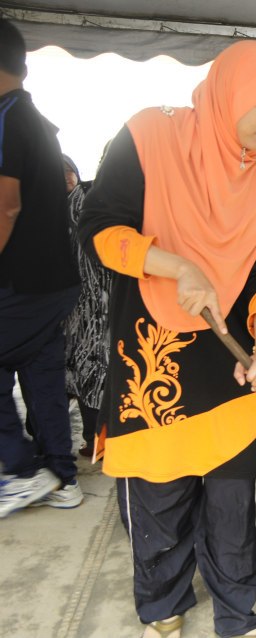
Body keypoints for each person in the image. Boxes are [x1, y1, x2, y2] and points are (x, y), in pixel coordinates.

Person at [77, 40, 256, 638]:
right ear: (229, 92)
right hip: (155, 354)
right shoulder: (150, 135)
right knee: (158, 494)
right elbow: (98, 228)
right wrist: (177, 267)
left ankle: (237, 611)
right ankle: (163, 603)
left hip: (232, 360)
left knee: (231, 503)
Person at [0, 18, 82, 517]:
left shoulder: (9, 117)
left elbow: (6, 206)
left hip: (25, 281)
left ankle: (22, 470)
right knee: (41, 371)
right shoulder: (37, 122)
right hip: (53, 280)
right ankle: (61, 477)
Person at [63, 148, 114, 459]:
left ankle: (99, 440)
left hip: (95, 304)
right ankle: (98, 440)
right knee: (91, 371)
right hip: (86, 305)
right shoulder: (89, 200)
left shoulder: (83, 199)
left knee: (92, 371)